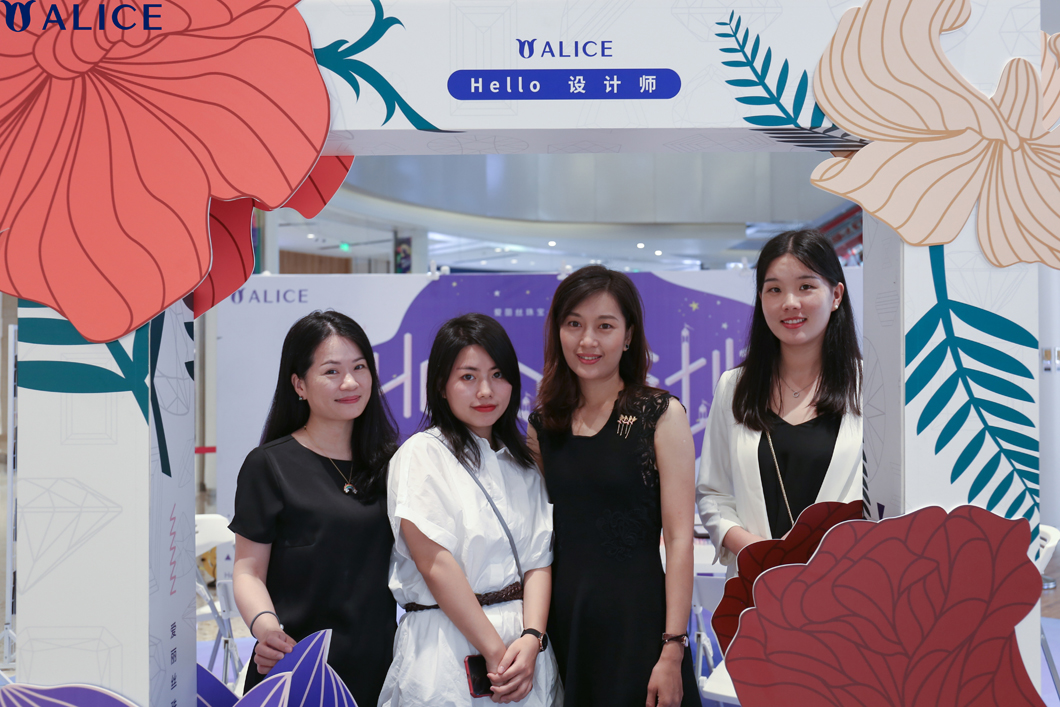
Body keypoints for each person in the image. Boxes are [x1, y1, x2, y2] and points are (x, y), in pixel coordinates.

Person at [528, 266, 699, 707]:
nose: (588, 341)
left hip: (640, 626)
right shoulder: (543, 426)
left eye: (604, 326)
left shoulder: (661, 414)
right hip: (566, 625)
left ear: (628, 336)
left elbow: (679, 539)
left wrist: (673, 647)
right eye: (574, 324)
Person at [378, 313, 561, 707]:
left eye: (498, 375)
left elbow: (539, 562)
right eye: (468, 377)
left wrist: (532, 638)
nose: (486, 391)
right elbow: (435, 564)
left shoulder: (523, 463)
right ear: (441, 386)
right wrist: (494, 651)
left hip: (523, 650)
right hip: (447, 645)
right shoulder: (422, 454)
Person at [230, 311, 399, 705]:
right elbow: (248, 570)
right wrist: (266, 629)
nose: (350, 382)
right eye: (331, 371)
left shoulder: (393, 463)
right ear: (299, 384)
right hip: (295, 666)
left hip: (379, 668)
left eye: (360, 367)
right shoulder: (268, 465)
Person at [696, 229, 863, 577]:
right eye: (774, 289)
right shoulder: (734, 387)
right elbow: (713, 494)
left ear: (836, 295)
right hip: (755, 587)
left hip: (846, 584)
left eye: (806, 286)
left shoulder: (870, 387)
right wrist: (757, 551)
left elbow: (887, 502)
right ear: (761, 299)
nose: (790, 302)